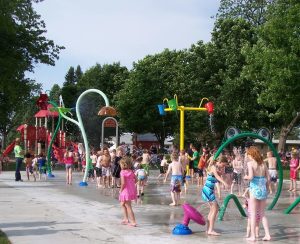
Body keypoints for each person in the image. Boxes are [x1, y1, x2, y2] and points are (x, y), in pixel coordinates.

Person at [244, 146, 271, 241]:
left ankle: (253, 236)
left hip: (254, 190)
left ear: (251, 154)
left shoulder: (250, 163)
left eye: (248, 154)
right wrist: (267, 189)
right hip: (263, 189)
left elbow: (251, 177)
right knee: (263, 214)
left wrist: (246, 177)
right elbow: (268, 178)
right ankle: (267, 234)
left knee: (253, 214)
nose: (247, 156)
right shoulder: (263, 163)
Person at [202, 156, 229, 236]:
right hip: (208, 191)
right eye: (223, 165)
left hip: (208, 190)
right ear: (220, 162)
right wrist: (224, 183)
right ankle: (210, 230)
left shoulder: (215, 168)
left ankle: (208, 229)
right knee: (215, 209)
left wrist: (222, 171)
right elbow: (217, 177)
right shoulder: (213, 167)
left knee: (212, 210)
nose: (223, 167)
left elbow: (219, 175)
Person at [119, 157, 137, 226]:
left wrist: (120, 190)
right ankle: (126, 219)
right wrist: (131, 185)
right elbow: (136, 179)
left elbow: (123, 183)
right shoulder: (131, 171)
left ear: (123, 165)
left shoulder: (122, 172)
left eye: (120, 164)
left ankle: (133, 222)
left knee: (128, 206)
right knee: (122, 204)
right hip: (131, 190)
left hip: (125, 191)